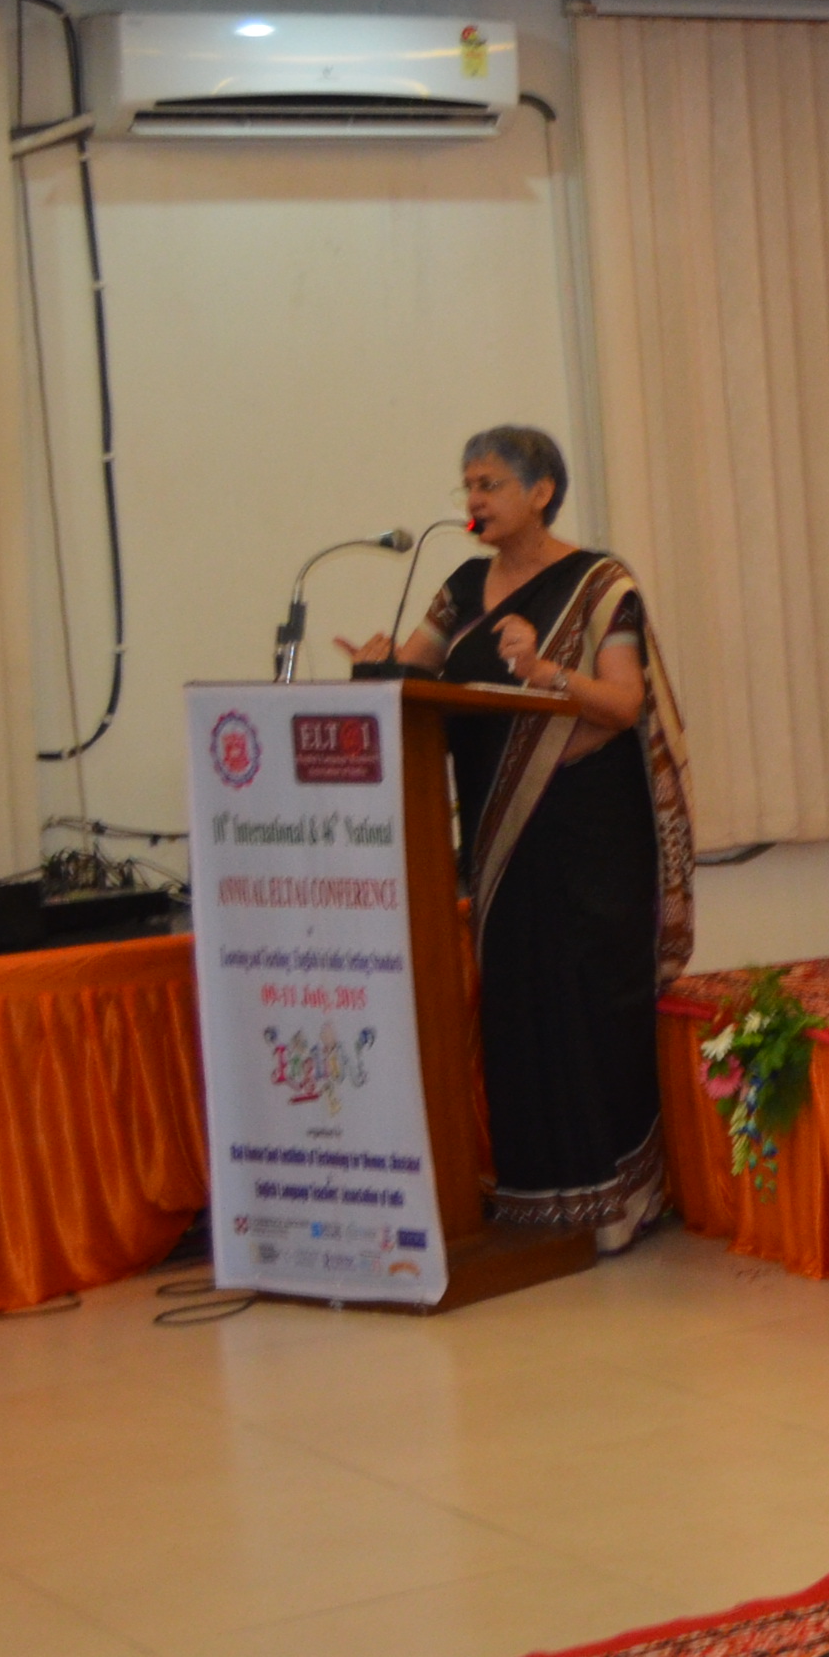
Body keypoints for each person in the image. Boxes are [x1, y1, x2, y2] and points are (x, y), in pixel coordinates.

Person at [343, 426, 696, 1252]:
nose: (473, 500)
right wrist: (382, 664)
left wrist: (547, 675)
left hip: (588, 834)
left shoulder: (601, 585)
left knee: (588, 1005)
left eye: (490, 484)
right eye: (468, 485)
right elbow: (419, 672)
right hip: (500, 838)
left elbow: (623, 703)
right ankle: (538, 1205)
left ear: (541, 493)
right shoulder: (461, 586)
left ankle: (618, 1203)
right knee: (517, 1011)